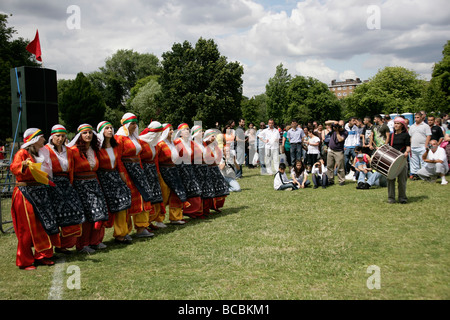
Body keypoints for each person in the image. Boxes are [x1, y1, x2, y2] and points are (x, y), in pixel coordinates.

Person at [10, 128, 60, 270]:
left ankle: (43, 255)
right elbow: (13, 167)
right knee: (26, 228)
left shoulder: (42, 152)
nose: (44, 140)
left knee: (42, 224)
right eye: (42, 137)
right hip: (25, 193)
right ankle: (25, 260)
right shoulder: (22, 153)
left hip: (40, 191)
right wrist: (23, 165)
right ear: (35, 139)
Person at [67, 124, 109, 253]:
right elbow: (71, 170)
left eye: (90, 133)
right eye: (85, 133)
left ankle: (95, 241)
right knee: (86, 215)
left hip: (94, 182)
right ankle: (83, 244)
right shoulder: (73, 151)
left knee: (99, 212)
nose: (88, 135)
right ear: (80, 135)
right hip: (80, 185)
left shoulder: (94, 149)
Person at [45, 125, 85, 254]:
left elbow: (71, 169)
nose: (60, 139)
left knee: (72, 214)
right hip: (51, 185)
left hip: (66, 185)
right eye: (57, 136)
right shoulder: (46, 150)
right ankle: (54, 244)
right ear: (52, 136)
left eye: (62, 136)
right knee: (54, 216)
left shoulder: (68, 151)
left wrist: (71, 184)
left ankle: (65, 245)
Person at [115, 113, 154, 237]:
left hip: (138, 170)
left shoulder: (135, 138)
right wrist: (122, 174)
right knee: (128, 199)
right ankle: (124, 231)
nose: (134, 126)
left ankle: (142, 227)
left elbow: (138, 156)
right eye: (132, 124)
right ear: (126, 124)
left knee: (143, 196)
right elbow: (118, 158)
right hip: (126, 170)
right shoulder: (119, 138)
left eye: (135, 123)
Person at [96, 121, 133, 244]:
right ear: (102, 131)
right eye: (107, 128)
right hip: (102, 178)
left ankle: (121, 233)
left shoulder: (115, 146)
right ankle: (97, 239)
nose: (110, 130)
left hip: (115, 176)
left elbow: (119, 163)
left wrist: (124, 179)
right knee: (103, 207)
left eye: (111, 128)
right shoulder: (96, 148)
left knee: (123, 204)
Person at [156, 123, 189, 225]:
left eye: (172, 129)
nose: (171, 131)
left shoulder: (174, 143)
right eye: (169, 129)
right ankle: (159, 219)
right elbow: (156, 159)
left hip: (174, 169)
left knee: (176, 193)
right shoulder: (160, 144)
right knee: (165, 194)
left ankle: (175, 217)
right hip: (164, 171)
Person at [139, 121, 165, 229]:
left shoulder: (154, 144)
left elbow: (155, 159)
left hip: (153, 171)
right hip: (144, 171)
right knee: (147, 196)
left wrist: (157, 172)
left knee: (156, 196)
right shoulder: (141, 142)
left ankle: (151, 220)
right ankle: (145, 222)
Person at [173, 123, 203, 219]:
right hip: (180, 169)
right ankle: (186, 211)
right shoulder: (177, 142)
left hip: (190, 168)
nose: (187, 131)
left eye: (188, 129)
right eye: (184, 129)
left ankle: (194, 211)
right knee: (184, 190)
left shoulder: (191, 143)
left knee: (194, 189)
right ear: (180, 132)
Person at [203, 129, 229, 213]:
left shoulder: (216, 146)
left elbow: (220, 156)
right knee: (209, 190)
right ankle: (207, 208)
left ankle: (216, 206)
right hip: (207, 169)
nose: (213, 138)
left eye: (214, 136)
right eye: (212, 136)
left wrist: (221, 162)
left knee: (218, 188)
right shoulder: (204, 146)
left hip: (215, 168)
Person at [386, 117, 411, 204]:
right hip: (392, 160)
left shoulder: (406, 135)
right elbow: (389, 147)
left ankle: (402, 198)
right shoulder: (392, 135)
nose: (396, 125)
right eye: (395, 123)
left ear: (402, 125)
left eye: (398, 123)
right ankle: (391, 198)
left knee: (402, 181)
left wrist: (407, 152)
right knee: (390, 179)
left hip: (402, 159)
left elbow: (408, 146)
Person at [325, 120, 348, 186]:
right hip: (331, 150)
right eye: (339, 125)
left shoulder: (345, 132)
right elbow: (326, 122)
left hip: (339, 151)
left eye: (341, 125)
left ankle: (341, 180)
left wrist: (337, 131)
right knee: (329, 166)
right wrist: (335, 122)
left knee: (340, 166)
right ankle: (330, 180)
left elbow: (340, 139)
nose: (339, 126)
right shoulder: (333, 129)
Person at [409, 112, 431, 180]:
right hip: (413, 146)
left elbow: (428, 136)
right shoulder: (412, 126)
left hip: (422, 146)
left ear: (421, 117)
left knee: (424, 161)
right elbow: (410, 136)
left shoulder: (425, 126)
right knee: (414, 162)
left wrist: (426, 145)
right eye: (415, 117)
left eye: (418, 117)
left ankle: (425, 175)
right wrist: (410, 145)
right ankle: (415, 174)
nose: (416, 119)